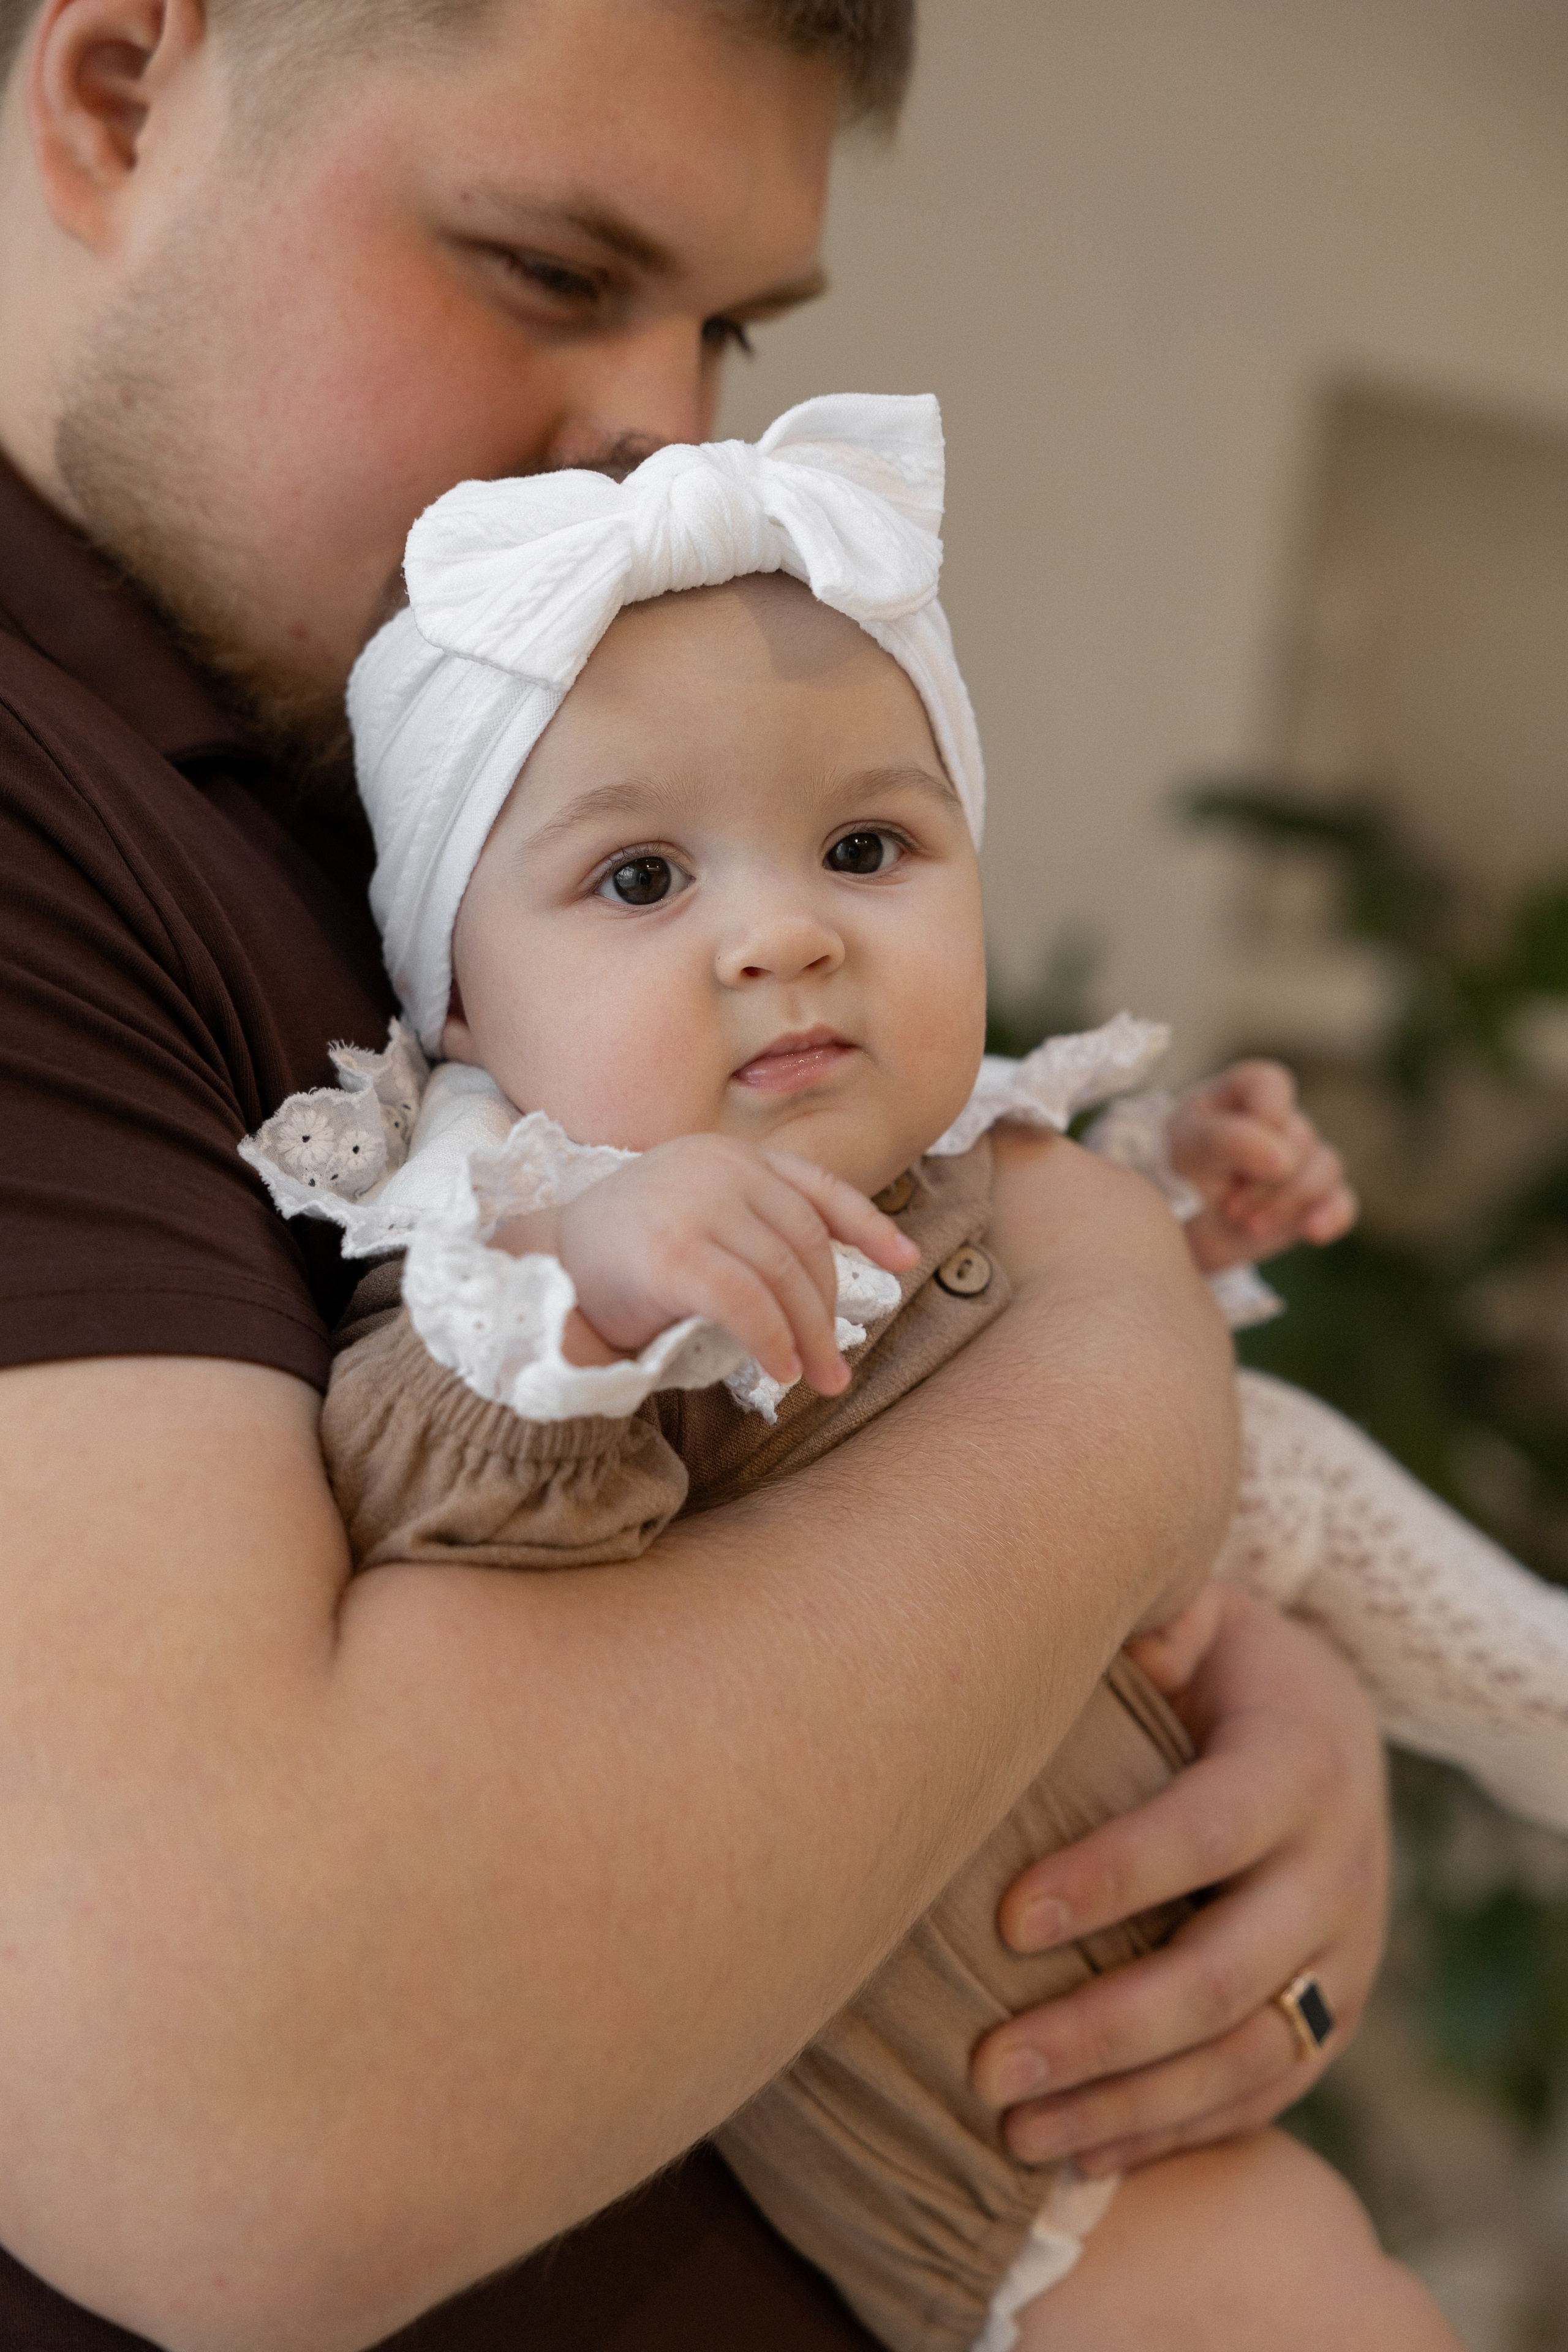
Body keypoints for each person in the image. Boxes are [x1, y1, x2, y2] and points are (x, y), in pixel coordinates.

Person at [0, 5, 1395, 2346]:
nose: (667, 422)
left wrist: (1217, 1749)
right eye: (552, 266)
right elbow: (256, 2123)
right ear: (120, 87)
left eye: (731, 324)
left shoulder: (393, 748)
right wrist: (1123, 1384)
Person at [244, 398, 1561, 2352]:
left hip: (1147, 1703)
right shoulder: (514, 1241)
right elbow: (433, 1497)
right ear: (458, 998)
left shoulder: (943, 1156)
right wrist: (595, 1277)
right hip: (1031, 2127)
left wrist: (1176, 1206)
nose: (783, 934)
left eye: (866, 846)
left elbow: (983, 1317)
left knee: (1332, 1500)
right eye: (637, 884)